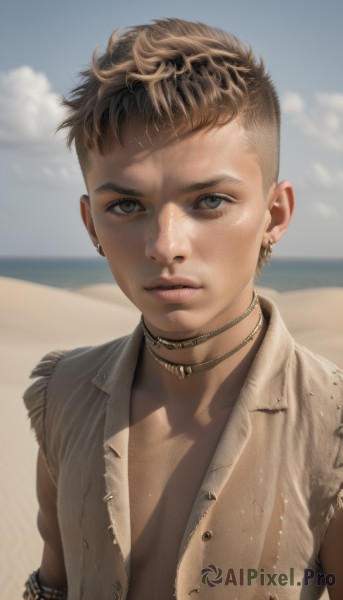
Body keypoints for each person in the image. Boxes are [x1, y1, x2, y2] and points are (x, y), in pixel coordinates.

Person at [23, 18, 343, 600]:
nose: (165, 244)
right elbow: (52, 585)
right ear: (91, 223)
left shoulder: (335, 426)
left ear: (274, 215)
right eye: (126, 205)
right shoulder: (61, 395)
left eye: (210, 201)